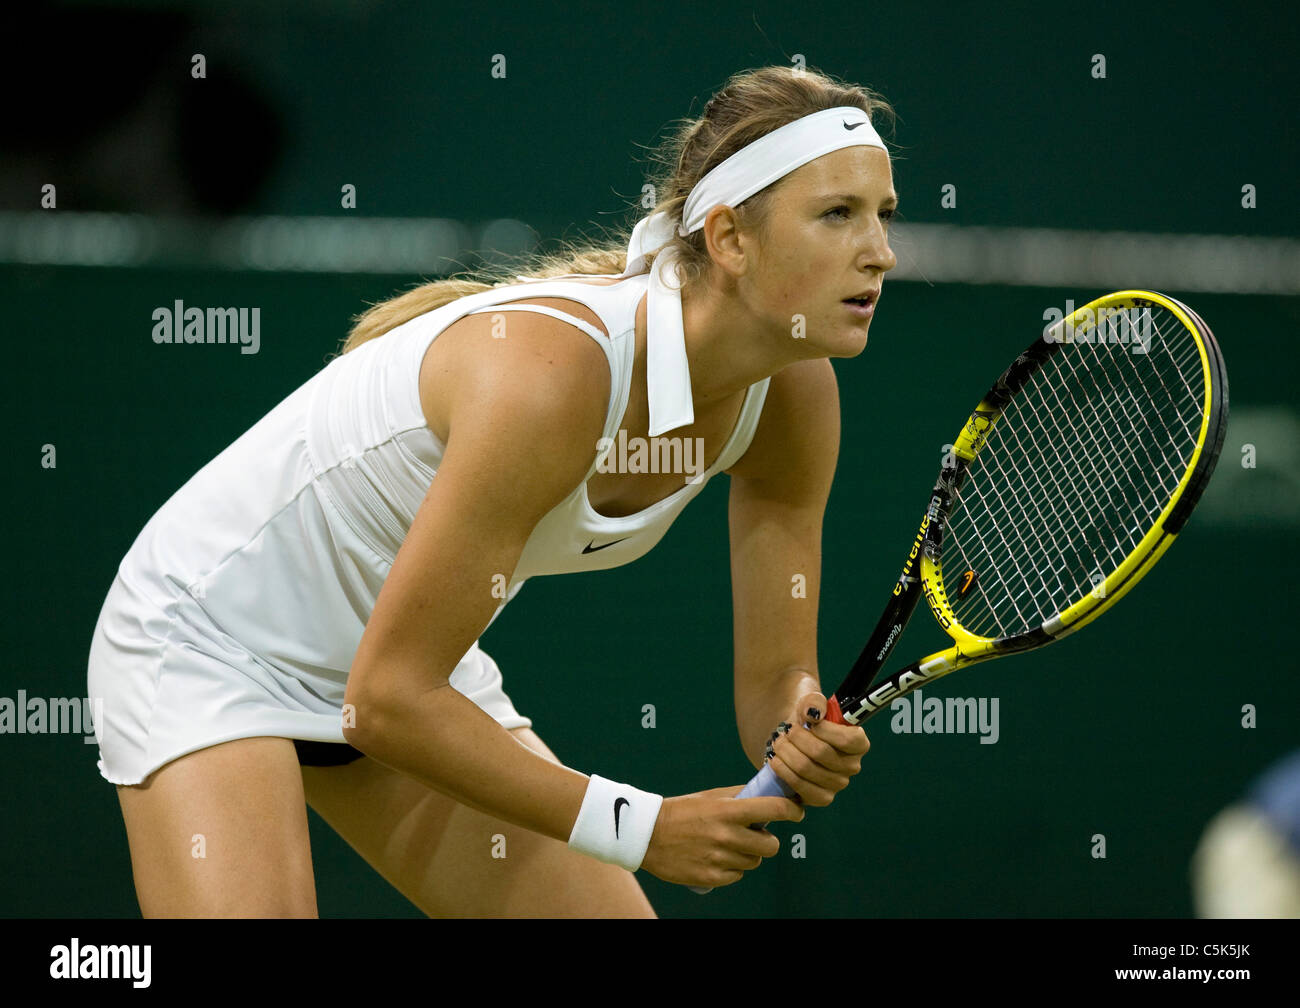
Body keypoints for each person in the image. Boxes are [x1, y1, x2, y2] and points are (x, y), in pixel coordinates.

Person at [87, 65, 898, 917]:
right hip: (211, 642)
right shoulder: (552, 379)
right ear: (730, 239)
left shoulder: (794, 396)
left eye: (885, 214)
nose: (880, 250)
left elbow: (775, 681)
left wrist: (796, 724)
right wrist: (641, 827)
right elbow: (389, 701)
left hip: (408, 665)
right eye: (837, 214)